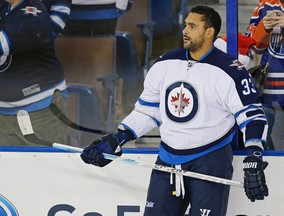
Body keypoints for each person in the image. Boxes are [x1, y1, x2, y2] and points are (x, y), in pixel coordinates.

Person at [80, 5, 269, 215]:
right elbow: (148, 111)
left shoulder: (230, 71)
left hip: (211, 159)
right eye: (185, 24)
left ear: (209, 32)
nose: (185, 30)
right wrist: (118, 139)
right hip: (167, 160)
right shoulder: (166, 63)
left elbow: (252, 117)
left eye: (192, 26)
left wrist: (254, 155)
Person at [0, 0, 70, 145]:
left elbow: (2, 44)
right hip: (4, 111)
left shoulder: (33, 13)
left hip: (40, 109)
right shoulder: (5, 6)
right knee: (8, 167)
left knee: (47, 165)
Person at [246, 0, 284, 150]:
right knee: (262, 136)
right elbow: (252, 48)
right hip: (268, 87)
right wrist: (263, 28)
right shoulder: (264, 6)